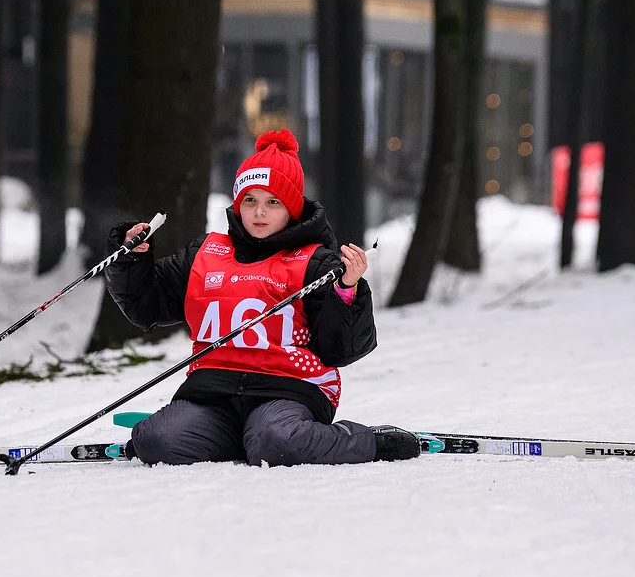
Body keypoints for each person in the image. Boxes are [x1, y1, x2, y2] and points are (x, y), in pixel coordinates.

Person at [104, 129, 421, 466]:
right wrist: (131, 258)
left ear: (292, 208)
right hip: (214, 394)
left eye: (273, 202)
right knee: (154, 440)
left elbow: (342, 349)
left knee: (276, 440)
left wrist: (347, 289)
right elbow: (145, 306)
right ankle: (241, 439)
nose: (259, 212)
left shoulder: (316, 262)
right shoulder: (205, 253)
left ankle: (365, 441)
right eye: (250, 200)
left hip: (287, 391)